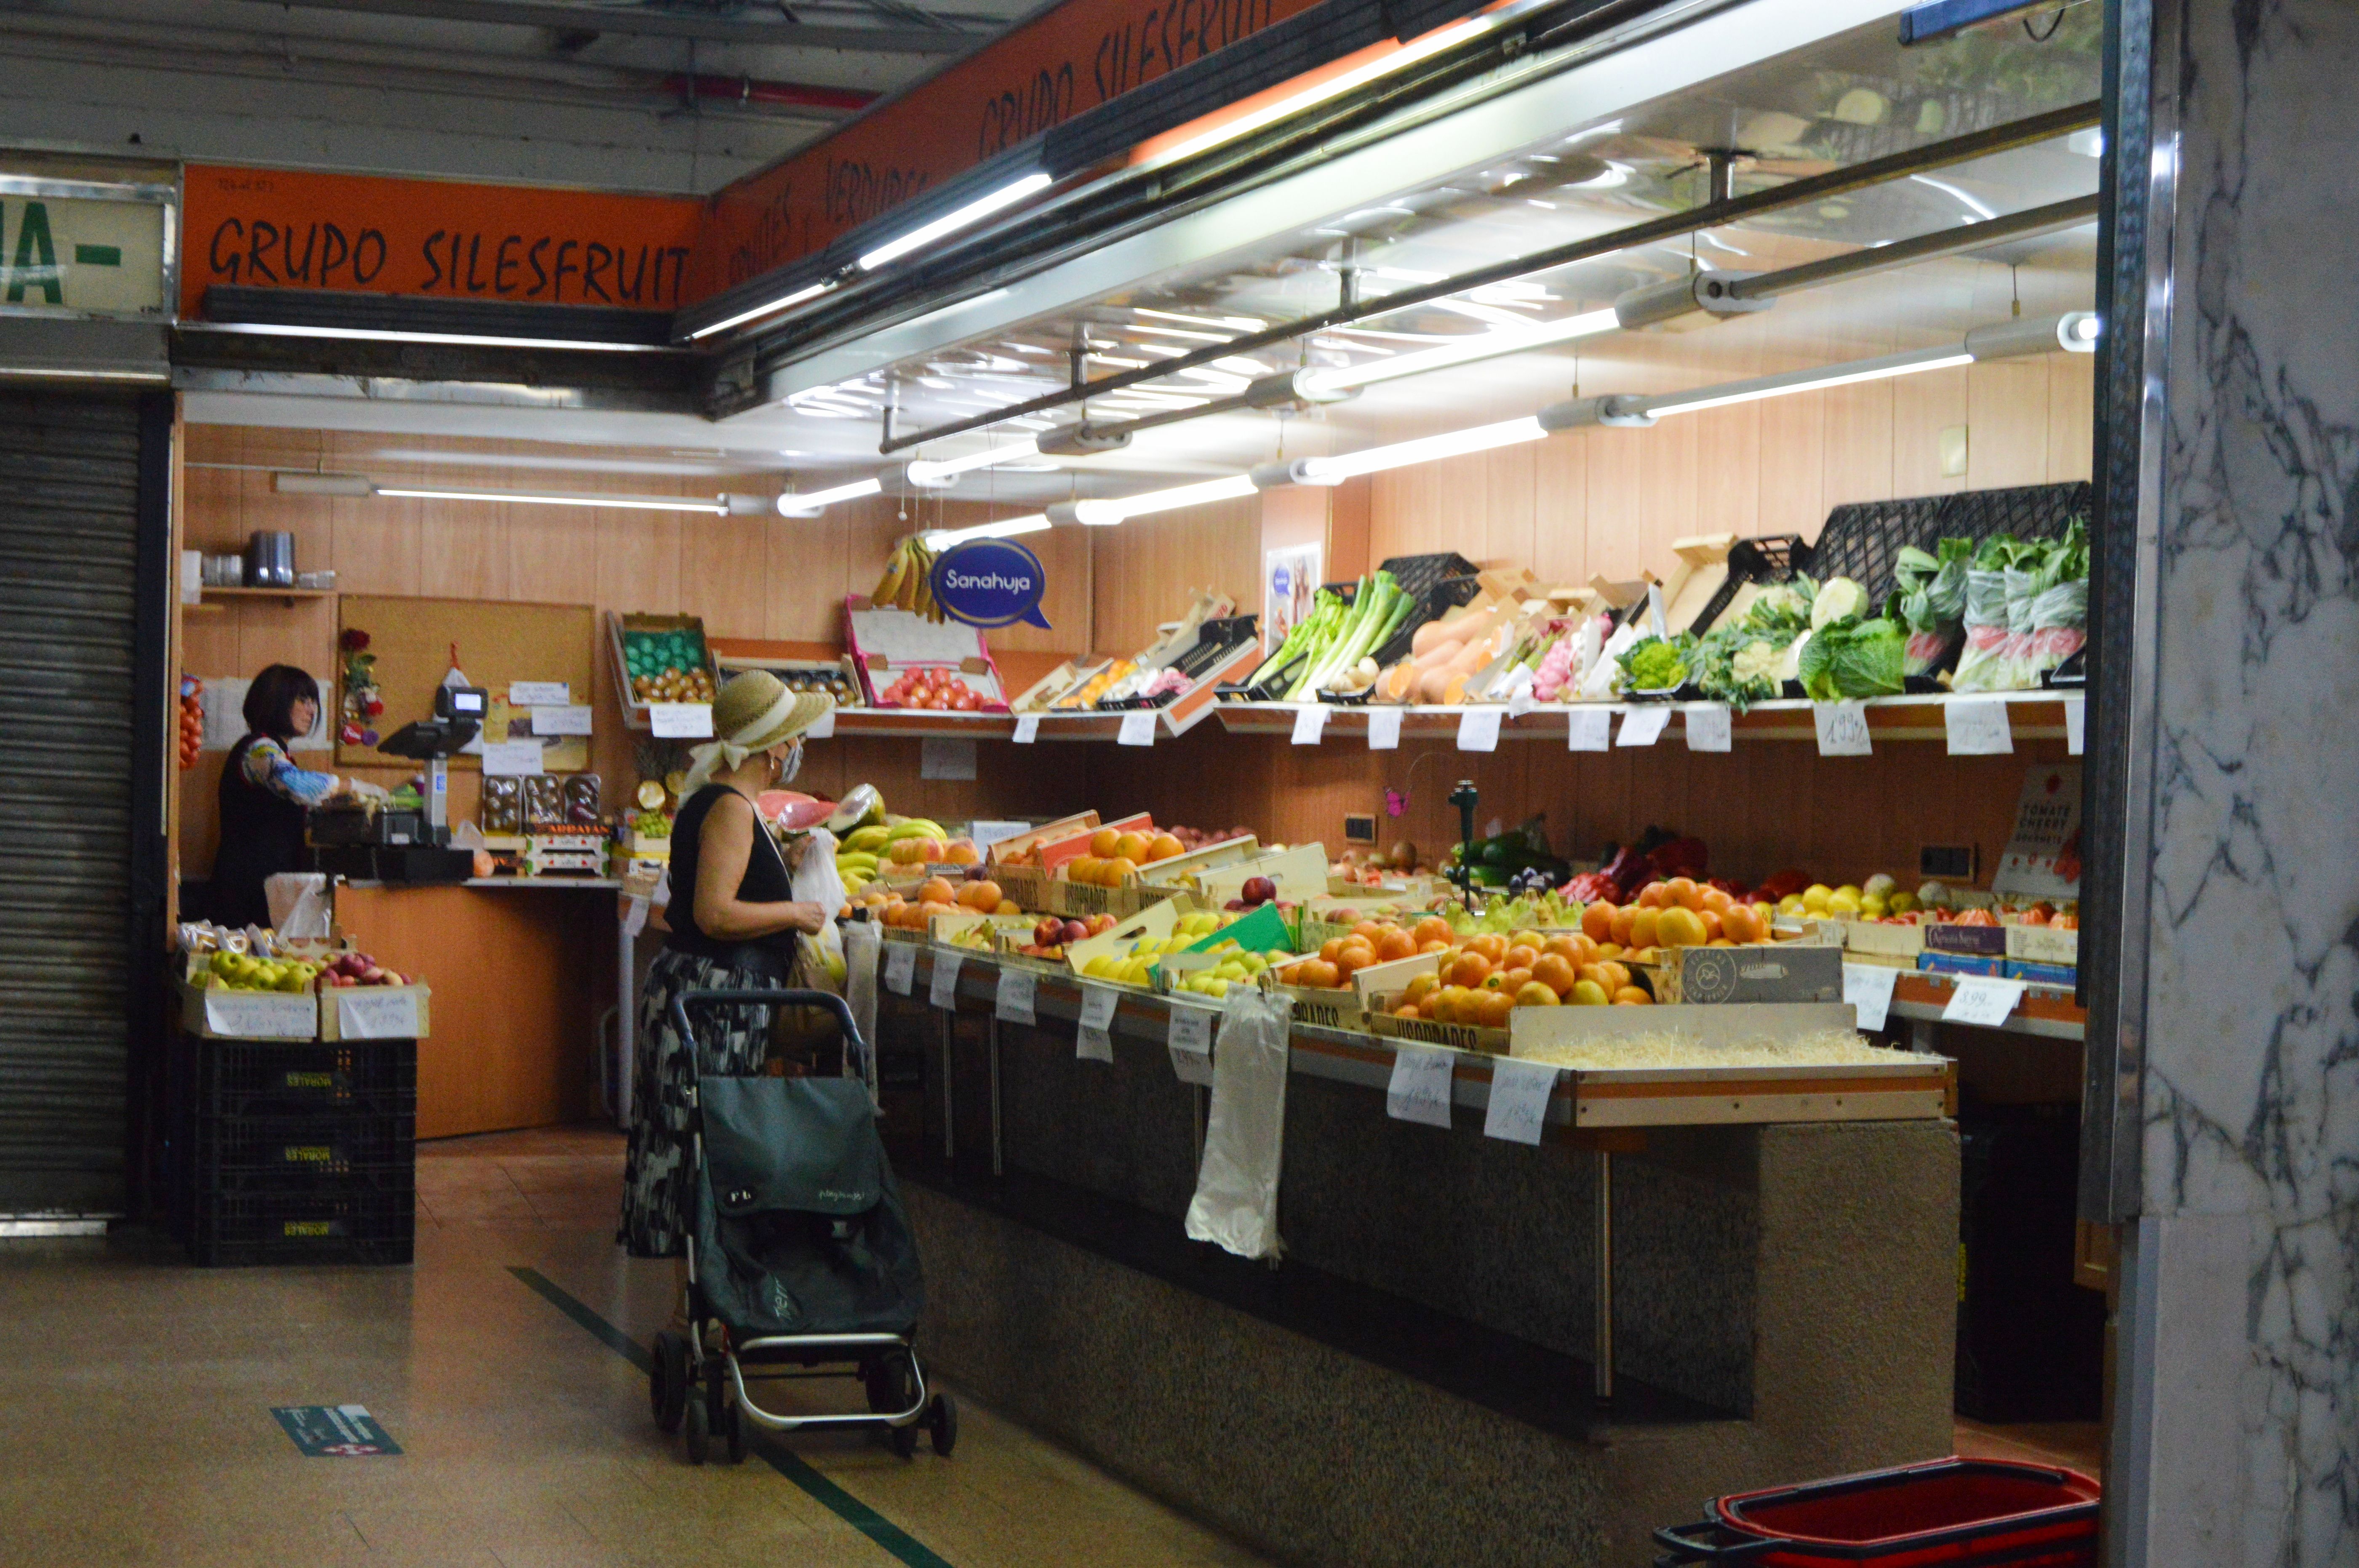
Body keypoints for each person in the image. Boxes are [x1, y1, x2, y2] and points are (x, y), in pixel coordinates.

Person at [619, 669, 835, 1263]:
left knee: (696, 1138)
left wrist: (788, 860)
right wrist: (795, 911)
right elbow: (713, 914)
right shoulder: (730, 809)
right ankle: (700, 1302)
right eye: (792, 738)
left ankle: (702, 1302)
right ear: (772, 748)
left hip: (708, 993)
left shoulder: (725, 802)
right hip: (716, 1000)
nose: (796, 749)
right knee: (707, 1140)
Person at [210, 663, 352, 929]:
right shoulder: (259, 749)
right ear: (275, 701)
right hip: (245, 889)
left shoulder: (276, 751)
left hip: (261, 886)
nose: (312, 711)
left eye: (313, 701)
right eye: (303, 700)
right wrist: (351, 787)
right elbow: (296, 784)